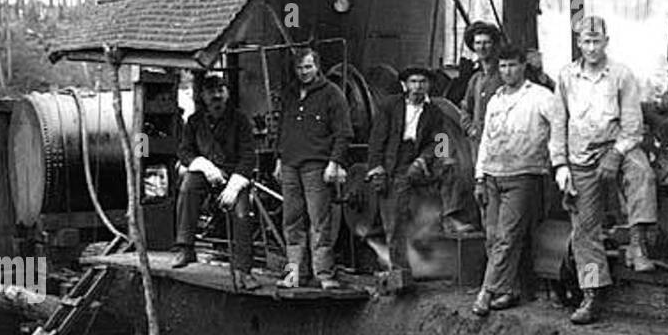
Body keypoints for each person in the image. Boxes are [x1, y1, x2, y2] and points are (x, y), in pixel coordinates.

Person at [550, 15, 658, 324]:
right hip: (580, 158)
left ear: (606, 42)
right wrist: (560, 166)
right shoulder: (567, 77)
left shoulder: (621, 75)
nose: (592, 47)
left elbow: (633, 126)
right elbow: (559, 123)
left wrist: (616, 154)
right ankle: (591, 292)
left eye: (597, 41)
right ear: (579, 44)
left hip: (618, 147)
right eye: (586, 42)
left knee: (642, 172)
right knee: (584, 230)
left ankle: (638, 245)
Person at [471, 43, 555, 317]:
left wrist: (558, 163)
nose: (507, 71)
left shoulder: (541, 97)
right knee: (493, 236)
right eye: (503, 66)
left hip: (524, 174)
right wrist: (479, 177)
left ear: (523, 67)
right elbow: (485, 139)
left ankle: (486, 292)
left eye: (513, 65)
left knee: (507, 236)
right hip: (493, 174)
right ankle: (509, 289)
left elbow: (561, 127)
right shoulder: (494, 99)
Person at [366, 64, 458, 269]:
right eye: (413, 82)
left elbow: (440, 140)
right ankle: (400, 271)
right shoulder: (390, 106)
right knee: (394, 220)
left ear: (429, 85)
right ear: (405, 85)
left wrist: (431, 160)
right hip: (393, 162)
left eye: (422, 82)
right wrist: (376, 167)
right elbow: (377, 138)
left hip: (418, 161)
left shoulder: (434, 111)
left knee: (425, 214)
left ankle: (430, 264)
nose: (418, 87)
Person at [174, 72, 259, 291]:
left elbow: (249, 157)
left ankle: (243, 270)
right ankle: (186, 247)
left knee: (242, 212)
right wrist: (203, 164)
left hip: (234, 176)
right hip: (207, 174)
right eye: (211, 92)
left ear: (227, 94)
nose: (216, 96)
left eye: (220, 91)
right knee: (187, 188)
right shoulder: (194, 122)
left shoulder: (240, 120)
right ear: (203, 96)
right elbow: (184, 151)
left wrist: (235, 184)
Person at [276, 48, 353, 289]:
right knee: (291, 222)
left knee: (319, 222)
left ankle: (324, 275)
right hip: (289, 165)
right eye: (299, 68)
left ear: (317, 66)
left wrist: (334, 162)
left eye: (308, 67)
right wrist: (279, 159)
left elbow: (343, 133)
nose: (303, 72)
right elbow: (282, 129)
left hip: (316, 166)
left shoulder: (333, 94)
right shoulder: (290, 94)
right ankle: (294, 275)